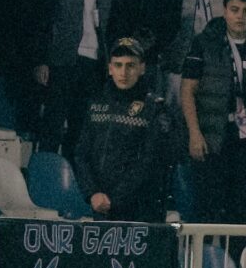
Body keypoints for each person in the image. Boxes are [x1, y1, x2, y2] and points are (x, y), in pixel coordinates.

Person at [180, 0, 246, 220]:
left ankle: (236, 258)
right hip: (214, 138)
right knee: (207, 211)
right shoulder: (205, 42)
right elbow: (187, 90)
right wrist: (194, 133)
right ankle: (205, 258)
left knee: (243, 214)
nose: (240, 16)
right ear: (224, 10)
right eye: (234, 9)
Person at [35, 0, 118, 147]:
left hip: (95, 59)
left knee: (82, 128)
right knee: (52, 123)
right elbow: (43, 17)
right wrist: (42, 59)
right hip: (62, 57)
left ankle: (74, 180)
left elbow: (114, 20)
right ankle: (47, 178)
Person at [73, 37, 178, 217]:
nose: (124, 72)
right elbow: (81, 154)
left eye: (131, 65)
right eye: (118, 65)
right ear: (110, 68)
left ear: (142, 68)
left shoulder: (154, 108)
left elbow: (148, 162)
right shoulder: (95, 103)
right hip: (99, 206)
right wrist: (93, 193)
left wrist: (113, 198)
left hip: (139, 210)